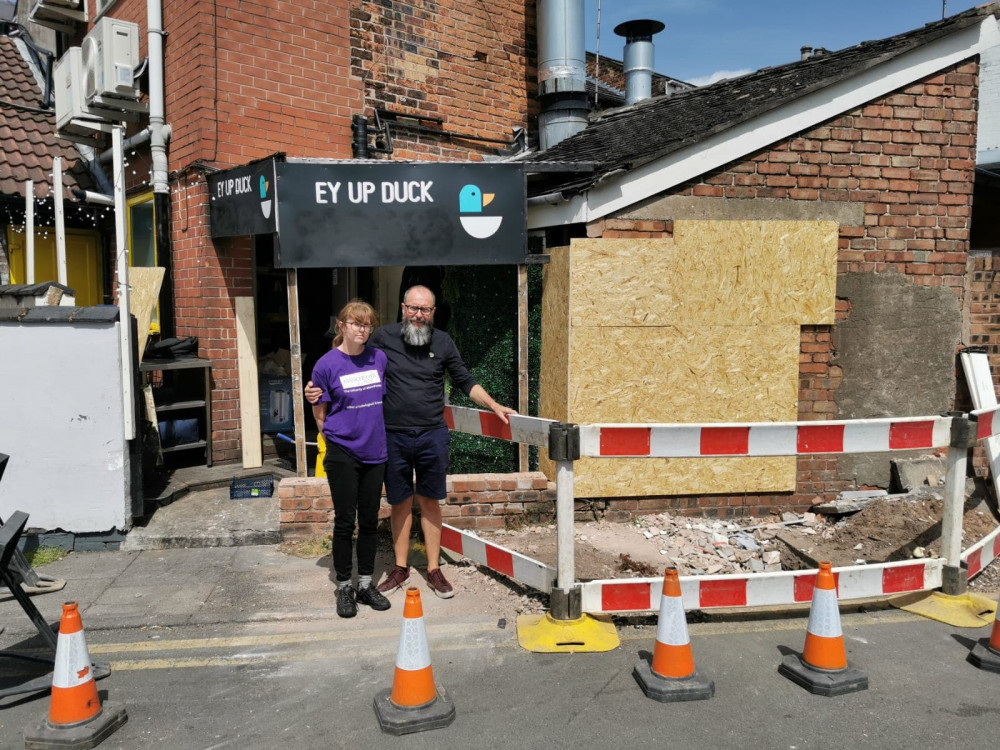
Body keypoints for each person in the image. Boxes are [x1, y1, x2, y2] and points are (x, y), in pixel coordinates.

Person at [306, 284, 516, 599]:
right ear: (404, 308)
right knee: (399, 501)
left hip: (432, 434)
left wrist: (494, 405)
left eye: (425, 309)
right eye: (413, 308)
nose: (418, 315)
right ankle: (400, 567)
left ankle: (433, 568)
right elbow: (350, 354)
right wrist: (317, 390)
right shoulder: (382, 339)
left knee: (430, 500)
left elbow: (465, 380)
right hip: (391, 435)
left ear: (433, 312)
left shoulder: (443, 342)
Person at [310, 300, 392, 618]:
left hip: (376, 452)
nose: (363, 329)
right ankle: (344, 586)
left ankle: (366, 584)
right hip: (343, 453)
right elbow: (320, 414)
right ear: (341, 325)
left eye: (368, 324)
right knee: (346, 522)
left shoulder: (379, 359)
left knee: (369, 521)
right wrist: (337, 442)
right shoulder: (326, 365)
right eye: (356, 323)